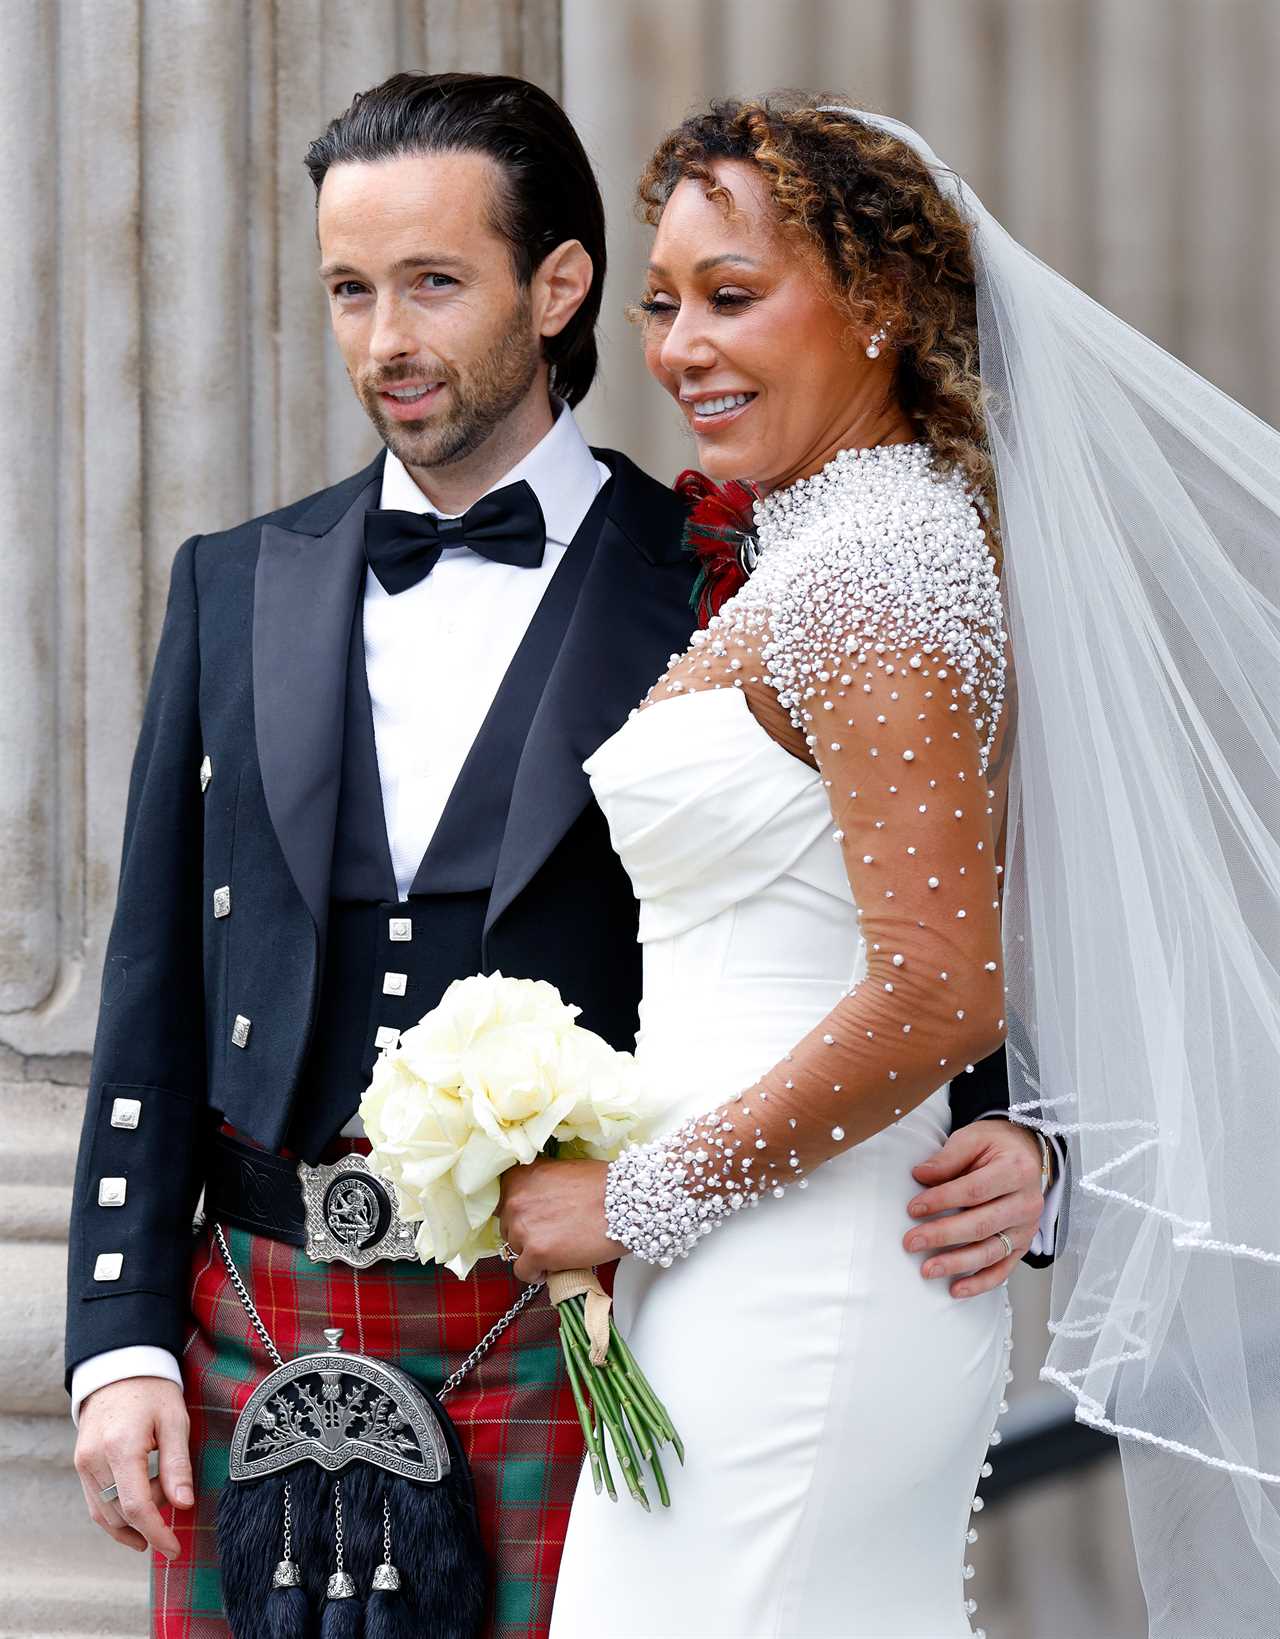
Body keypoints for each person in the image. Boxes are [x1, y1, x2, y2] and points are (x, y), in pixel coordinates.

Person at [65, 74, 1056, 1639]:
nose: (384, 338)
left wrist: (1022, 1136)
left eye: (433, 283)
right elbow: (152, 984)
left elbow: (915, 887)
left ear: (558, 286)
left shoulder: (731, 570)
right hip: (255, 1305)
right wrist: (116, 1342)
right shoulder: (235, 582)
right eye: (348, 289)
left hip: (577, 1315)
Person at [498, 97, 1280, 1639]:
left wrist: (637, 1202)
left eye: (734, 295)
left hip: (799, 1275)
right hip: (735, 1260)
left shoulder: (873, 571)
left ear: (879, 303)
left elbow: (935, 989)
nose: (680, 347)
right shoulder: (842, 549)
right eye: (663, 304)